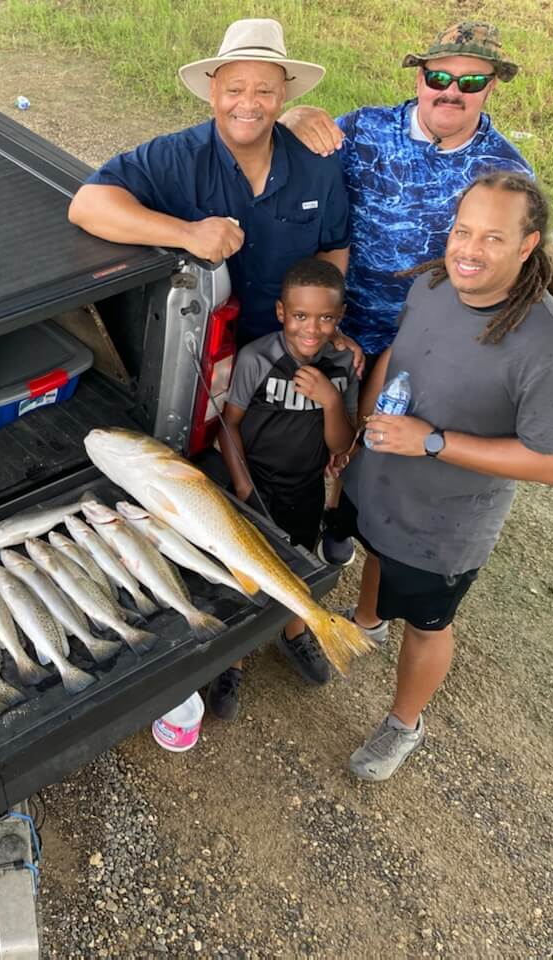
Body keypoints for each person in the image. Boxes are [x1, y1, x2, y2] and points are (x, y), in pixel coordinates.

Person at [329, 173, 553, 781]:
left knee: (428, 623)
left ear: (528, 245)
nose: (468, 250)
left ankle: (403, 725)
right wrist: (369, 416)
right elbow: (400, 352)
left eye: (493, 238)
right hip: (382, 476)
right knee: (371, 548)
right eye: (462, 230)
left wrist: (434, 442)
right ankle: (366, 624)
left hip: (445, 524)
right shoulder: (435, 282)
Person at [279, 20, 532, 569]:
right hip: (338, 316)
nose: (452, 91)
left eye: (471, 82)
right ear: (420, 77)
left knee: (384, 440)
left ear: (491, 88)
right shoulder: (366, 128)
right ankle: (303, 517)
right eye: (440, 75)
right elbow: (293, 154)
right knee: (313, 421)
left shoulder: (508, 172)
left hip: (425, 337)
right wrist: (294, 118)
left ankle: (347, 521)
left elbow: (509, 268)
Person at [68, 17, 353, 349]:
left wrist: (318, 325)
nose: (248, 104)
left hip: (284, 350)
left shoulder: (318, 163)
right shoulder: (178, 156)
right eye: (234, 90)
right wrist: (187, 233)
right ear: (213, 92)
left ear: (282, 96)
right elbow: (88, 204)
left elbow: (333, 246)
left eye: (264, 91)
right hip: (196, 351)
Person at [208, 259, 358, 720]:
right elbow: (227, 428)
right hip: (255, 488)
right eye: (300, 316)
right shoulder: (258, 358)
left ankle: (293, 631)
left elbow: (342, 443)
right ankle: (232, 658)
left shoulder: (341, 365)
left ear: (340, 316)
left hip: (306, 487)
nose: (311, 329)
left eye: (325, 318)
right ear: (281, 312)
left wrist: (331, 400)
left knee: (298, 565)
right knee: (244, 574)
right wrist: (243, 488)